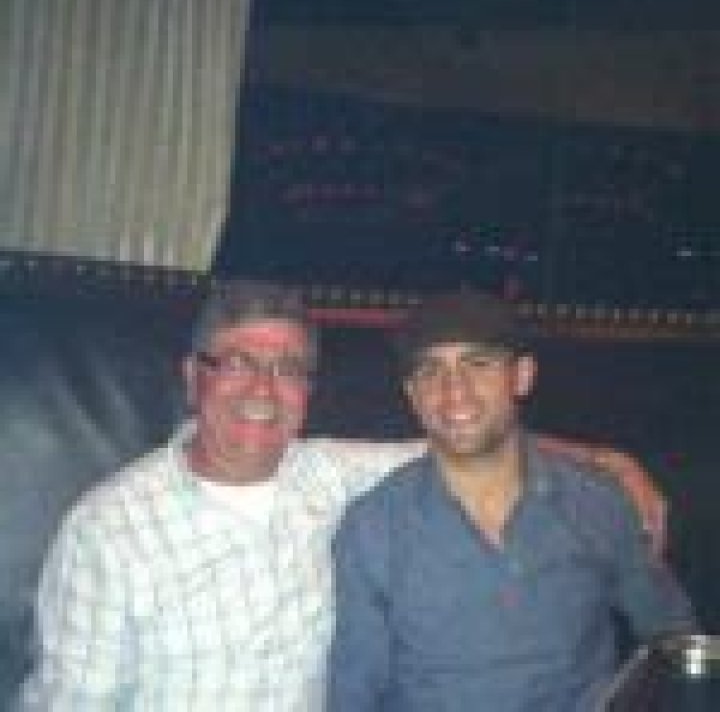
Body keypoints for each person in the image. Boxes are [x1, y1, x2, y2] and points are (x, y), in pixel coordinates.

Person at [19, 280, 668, 711]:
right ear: (194, 379)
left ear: (308, 390)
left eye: (288, 369)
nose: (263, 389)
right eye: (239, 362)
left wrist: (601, 459)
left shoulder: (327, 474)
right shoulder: (110, 531)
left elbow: (464, 436)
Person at [327, 290, 696, 712]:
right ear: (412, 394)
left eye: (478, 364)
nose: (454, 391)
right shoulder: (373, 528)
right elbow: (355, 688)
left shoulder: (596, 504)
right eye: (431, 370)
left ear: (521, 376)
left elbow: (672, 640)